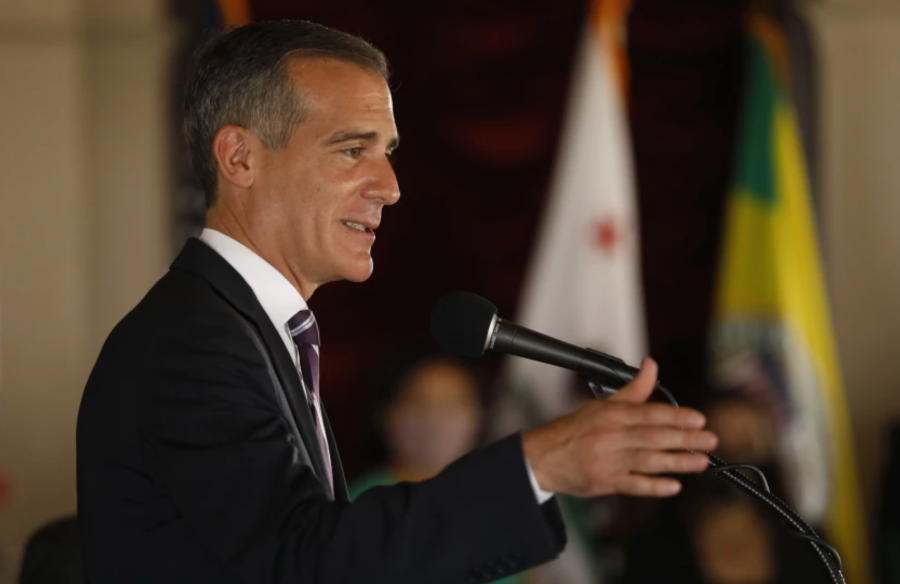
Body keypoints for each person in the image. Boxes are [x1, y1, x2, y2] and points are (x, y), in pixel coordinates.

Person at [76, 20, 717, 583]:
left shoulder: (248, 330)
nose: (390, 187)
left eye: (387, 153)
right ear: (240, 157)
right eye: (353, 149)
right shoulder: (193, 342)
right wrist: (538, 465)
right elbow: (303, 562)